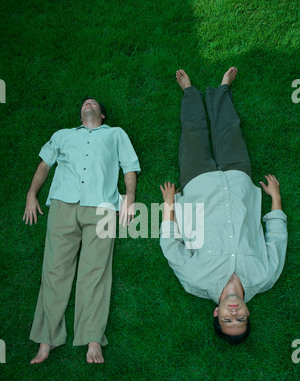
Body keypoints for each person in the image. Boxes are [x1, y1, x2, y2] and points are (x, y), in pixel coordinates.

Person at [160, 68, 287, 344]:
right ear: (247, 311)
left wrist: (169, 204)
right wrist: (275, 197)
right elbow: (276, 238)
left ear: (216, 313)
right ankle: (222, 89)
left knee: (193, 132)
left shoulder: (196, 282)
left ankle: (189, 92)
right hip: (238, 182)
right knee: (230, 130)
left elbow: (171, 246)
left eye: (227, 319)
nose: (233, 314)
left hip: (197, 186)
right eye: (240, 319)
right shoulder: (265, 277)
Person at [23, 97, 141, 363]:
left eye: (94, 103)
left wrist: (129, 197)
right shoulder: (62, 136)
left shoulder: (116, 134)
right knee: (54, 270)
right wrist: (32, 195)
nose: (88, 102)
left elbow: (130, 167)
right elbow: (44, 165)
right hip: (64, 204)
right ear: (81, 116)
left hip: (102, 207)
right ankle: (46, 339)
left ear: (101, 117)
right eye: (85, 103)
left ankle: (93, 339)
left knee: (96, 272)